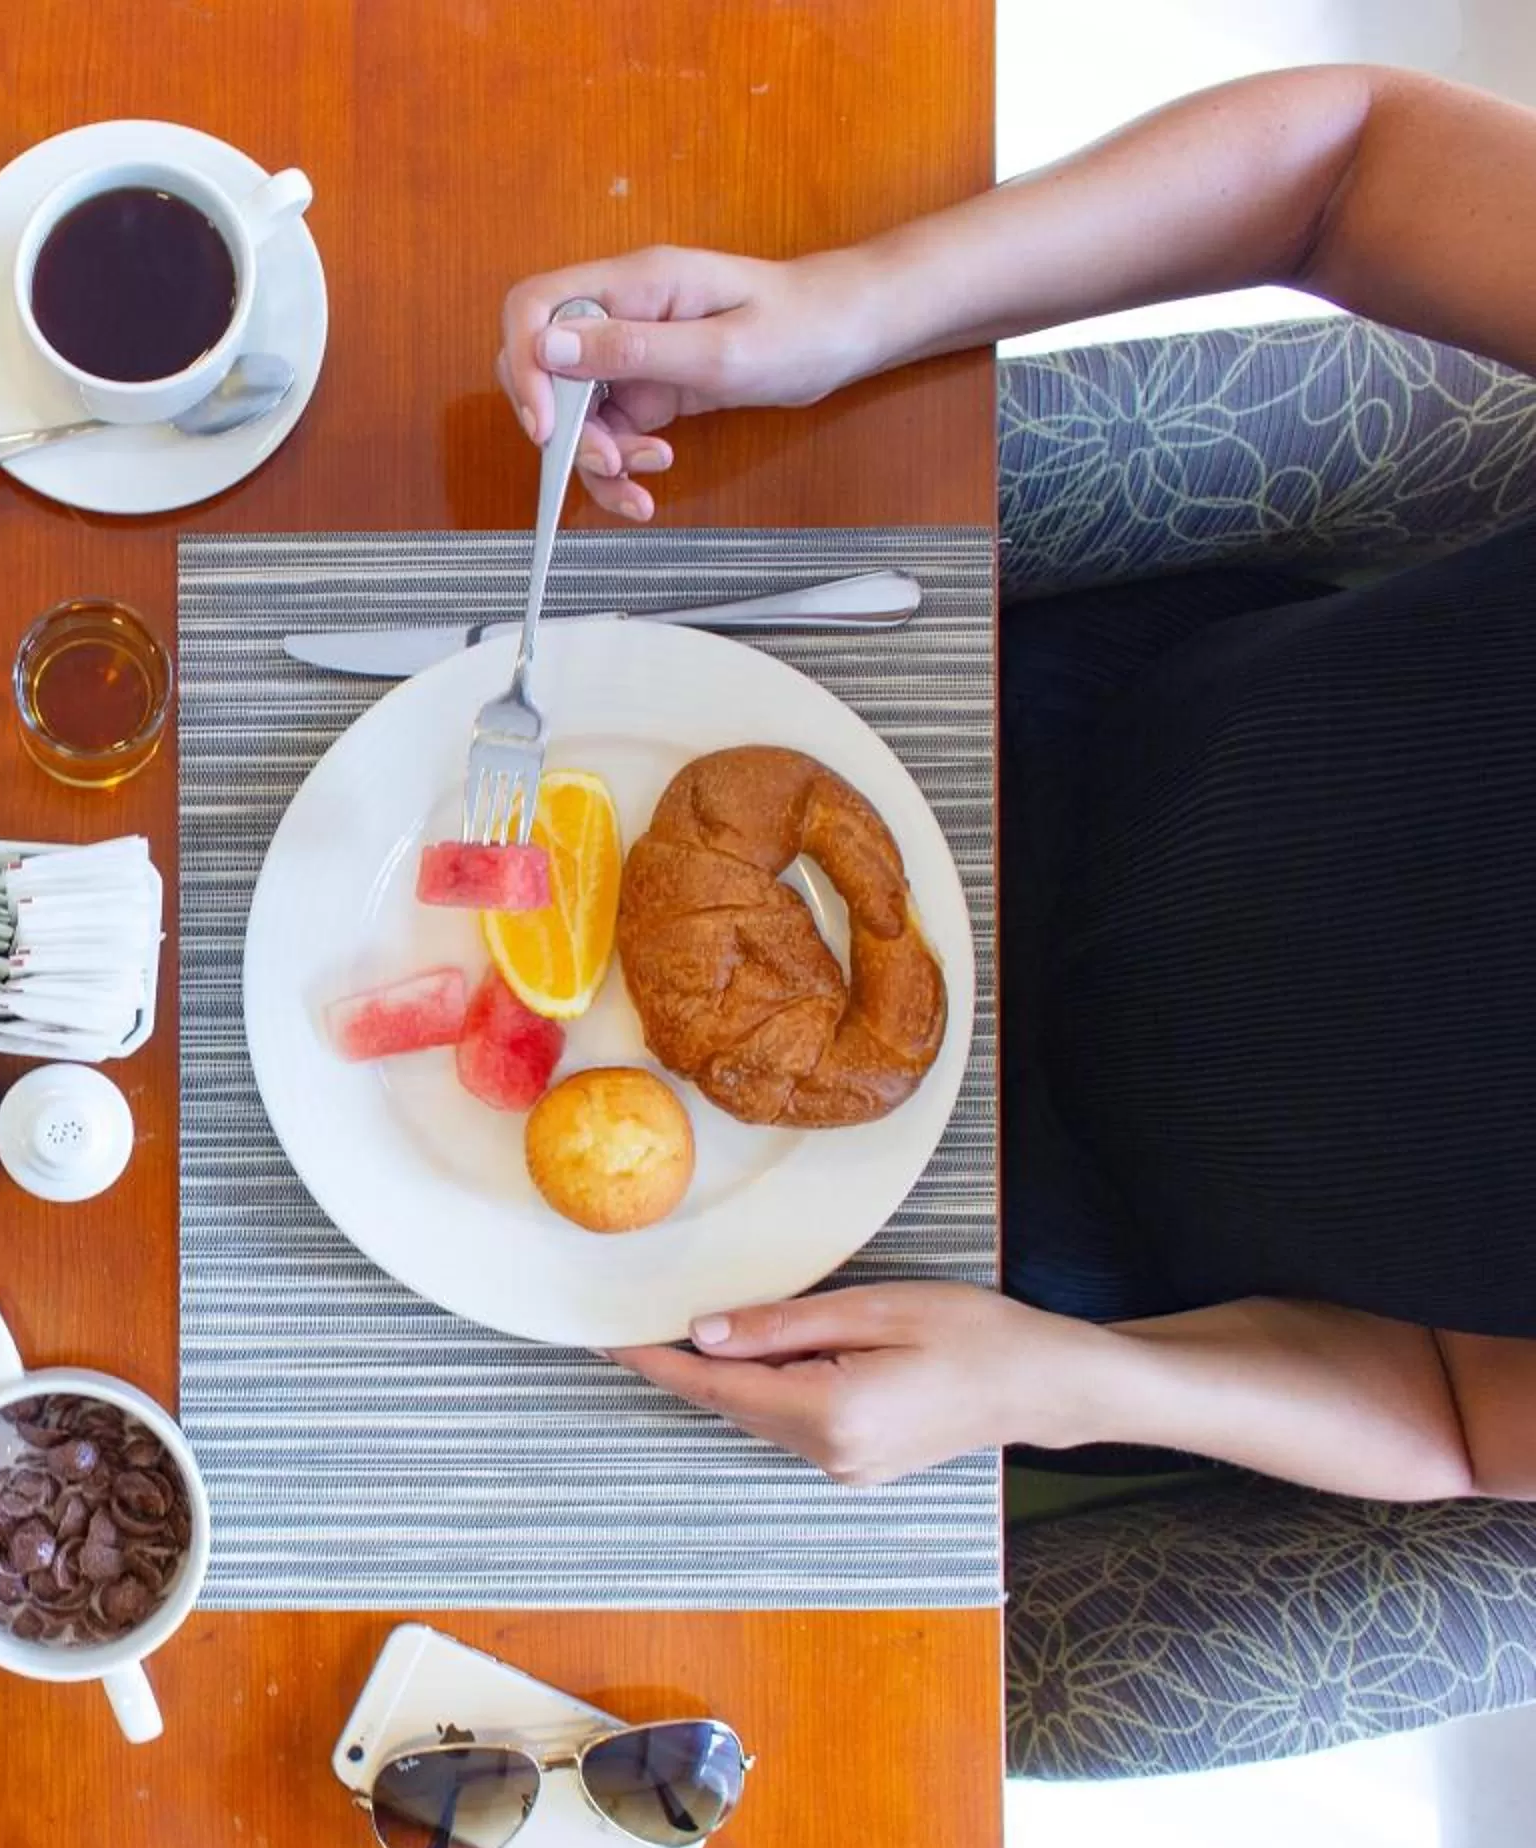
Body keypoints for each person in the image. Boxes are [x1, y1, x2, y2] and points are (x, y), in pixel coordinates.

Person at [494, 64, 1536, 1501]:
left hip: (1054, 1252)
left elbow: (1464, 1417)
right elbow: (1352, 167)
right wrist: (854, 304)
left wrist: (1057, 1380)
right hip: (1052, 697)